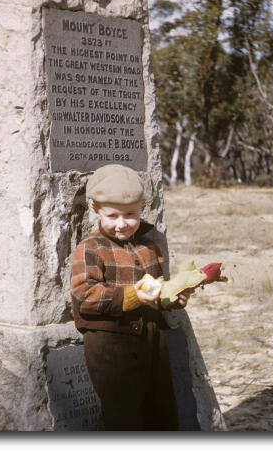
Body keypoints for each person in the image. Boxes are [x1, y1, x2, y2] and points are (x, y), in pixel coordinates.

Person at [69, 164, 193, 431]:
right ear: (95, 210)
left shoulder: (150, 244)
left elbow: (157, 290)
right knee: (123, 414)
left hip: (152, 338)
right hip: (111, 345)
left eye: (130, 214)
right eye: (112, 215)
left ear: (143, 206)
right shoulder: (91, 248)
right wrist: (130, 296)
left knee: (160, 408)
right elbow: (84, 296)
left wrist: (174, 298)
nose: (121, 223)